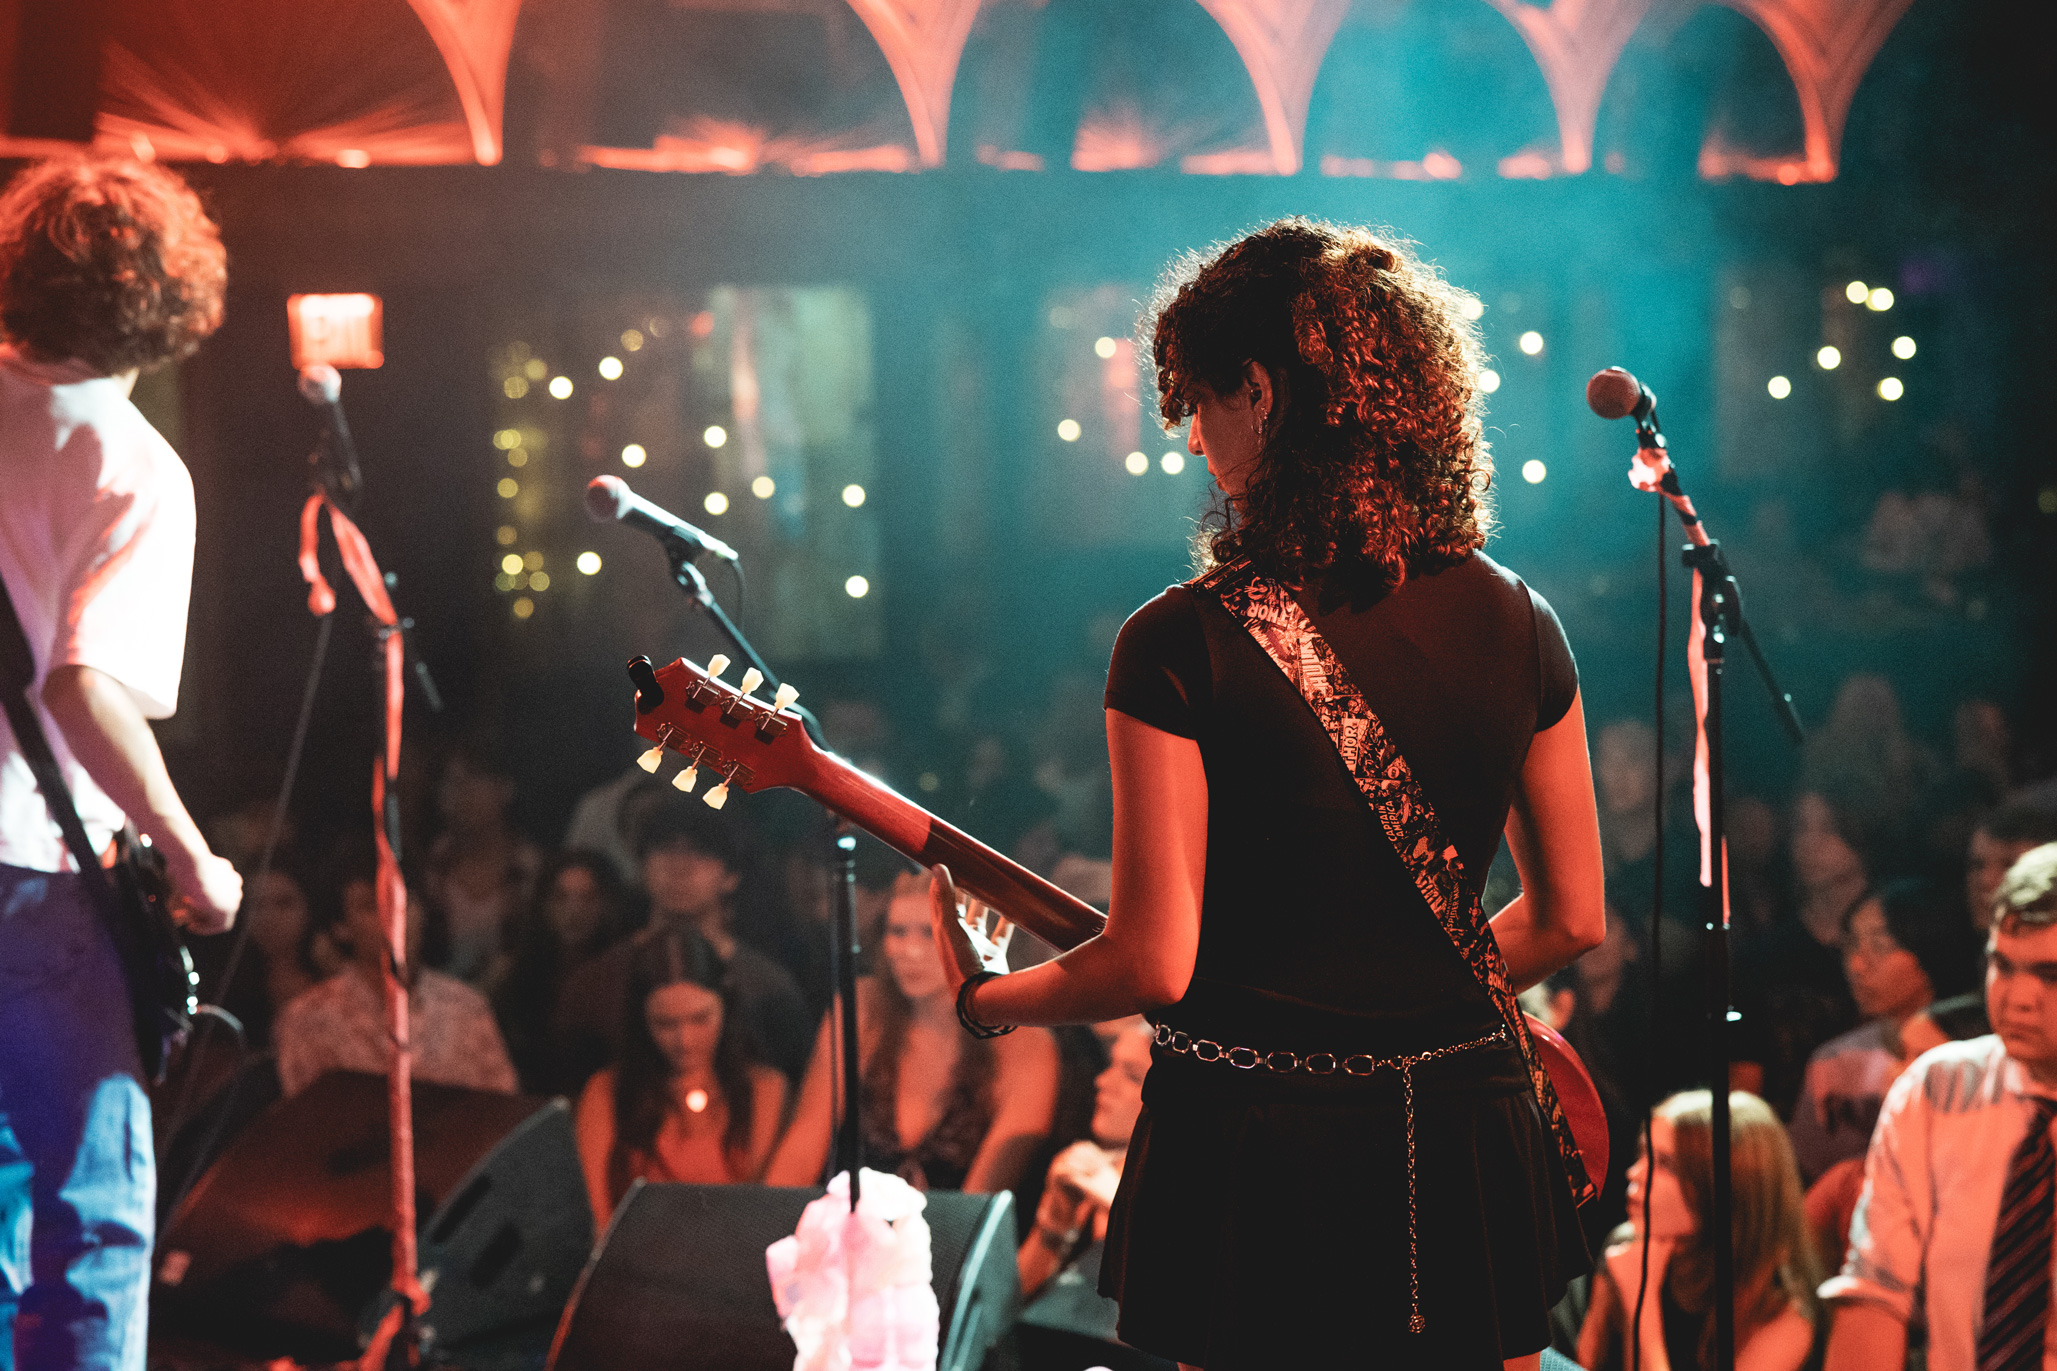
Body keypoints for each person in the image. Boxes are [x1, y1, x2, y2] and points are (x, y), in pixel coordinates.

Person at [928, 219, 1605, 1370]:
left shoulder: (1173, 643)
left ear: (1258, 390)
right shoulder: (1519, 617)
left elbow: (1152, 962)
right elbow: (1569, 917)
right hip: (1463, 1129)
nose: (1192, 440)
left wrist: (985, 1001)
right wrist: (1409, 1007)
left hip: (1252, 1145)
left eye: (1197, 401)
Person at [0, 156, 244, 1371]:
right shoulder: (129, 464)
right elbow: (78, 683)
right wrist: (190, 855)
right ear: (169, 297)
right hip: (31, 885)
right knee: (90, 1222)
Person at [1822, 842, 2057, 1371]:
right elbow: (1875, 1294)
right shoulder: (1936, 1090)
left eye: (2049, 975)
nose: (2017, 997)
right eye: (2002, 965)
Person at [767, 873, 1059, 1194]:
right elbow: (804, 1144)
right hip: (849, 1229)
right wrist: (765, 1229)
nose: (910, 951)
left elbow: (985, 1199)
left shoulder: (1026, 1042)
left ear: (980, 939)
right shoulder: (862, 1007)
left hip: (955, 1234)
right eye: (898, 932)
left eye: (930, 934)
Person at [549, 799, 811, 1089]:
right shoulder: (592, 984)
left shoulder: (770, 988)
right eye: (665, 849)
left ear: (732, 875)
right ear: (641, 865)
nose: (680, 866)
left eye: (700, 852)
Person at [1576, 1091, 1820, 1371]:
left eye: (1666, 1164)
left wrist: (1641, 1305)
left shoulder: (1783, 1316)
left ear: (1729, 1189)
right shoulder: (1626, 1245)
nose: (1635, 1173)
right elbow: (1581, 1365)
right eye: (1643, 1153)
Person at [573, 928, 787, 1224]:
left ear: (725, 1006)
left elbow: (767, 1213)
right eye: (665, 1024)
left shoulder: (764, 1088)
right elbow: (591, 1218)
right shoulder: (607, 1091)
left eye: (701, 1019)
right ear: (641, 1020)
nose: (685, 1040)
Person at [273, 839, 517, 1097]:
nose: (395, 915)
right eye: (371, 906)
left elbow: (501, 1113)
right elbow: (308, 1123)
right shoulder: (308, 1020)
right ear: (341, 927)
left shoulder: (466, 1008)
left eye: (404, 900)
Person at [1787, 881, 1975, 1183]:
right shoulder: (1832, 1062)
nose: (1857, 965)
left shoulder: (1974, 1060)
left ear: (1930, 949)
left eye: (1880, 946)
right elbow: (1805, 1177)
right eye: (1851, 945)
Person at [490, 849, 630, 1093]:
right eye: (560, 897)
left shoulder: (624, 973)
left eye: (588, 898)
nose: (574, 911)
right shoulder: (515, 980)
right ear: (543, 905)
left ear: (609, 904)